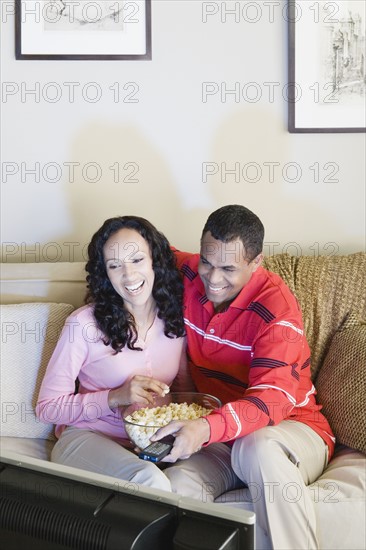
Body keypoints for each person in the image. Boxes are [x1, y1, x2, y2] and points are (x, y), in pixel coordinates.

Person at [151, 204, 335, 549]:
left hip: (293, 431)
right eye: (207, 261)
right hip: (223, 436)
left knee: (257, 447)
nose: (213, 278)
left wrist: (205, 428)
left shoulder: (276, 312)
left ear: (256, 263)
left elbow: (269, 402)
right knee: (171, 491)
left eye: (228, 268)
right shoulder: (188, 272)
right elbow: (141, 246)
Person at [36, 215, 189, 491]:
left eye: (137, 260)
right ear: (105, 273)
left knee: (186, 483)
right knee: (149, 480)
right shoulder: (82, 325)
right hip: (86, 438)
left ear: (156, 260)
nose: (129, 275)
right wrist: (116, 397)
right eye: (115, 265)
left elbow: (183, 394)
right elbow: (47, 408)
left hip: (149, 443)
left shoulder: (176, 319)